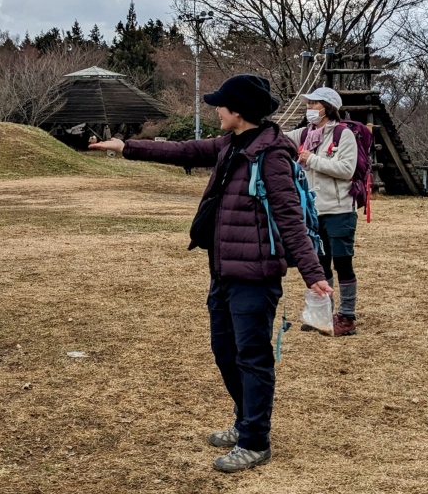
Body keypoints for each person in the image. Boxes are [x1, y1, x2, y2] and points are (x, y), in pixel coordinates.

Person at [90, 74, 330, 473]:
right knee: (225, 351)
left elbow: (289, 217)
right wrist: (126, 147)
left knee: (252, 358)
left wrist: (312, 272)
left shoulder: (270, 154)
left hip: (255, 275)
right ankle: (244, 421)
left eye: (221, 105)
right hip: (223, 270)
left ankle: (255, 441)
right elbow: (184, 151)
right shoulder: (230, 144)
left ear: (238, 111)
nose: (215, 111)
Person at [286, 87, 359, 336]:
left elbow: (347, 169)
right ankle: (323, 314)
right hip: (313, 213)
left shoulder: (343, 134)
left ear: (327, 108)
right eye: (309, 104)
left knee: (342, 263)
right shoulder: (306, 133)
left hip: (339, 210)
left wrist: (311, 159)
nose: (310, 109)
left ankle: (347, 317)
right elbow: (280, 138)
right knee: (320, 264)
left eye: (314, 104)